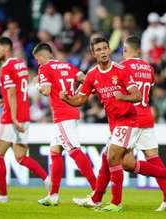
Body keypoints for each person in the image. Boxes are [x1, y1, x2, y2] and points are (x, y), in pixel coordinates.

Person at [61, 36, 166, 212]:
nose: (103, 52)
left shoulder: (122, 69)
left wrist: (122, 97)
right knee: (128, 162)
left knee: (111, 156)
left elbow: (137, 95)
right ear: (93, 54)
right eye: (99, 50)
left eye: (105, 48)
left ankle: (114, 203)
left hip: (130, 119)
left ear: (113, 50)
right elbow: (80, 99)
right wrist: (68, 99)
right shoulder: (96, 74)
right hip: (132, 119)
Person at [0, 37, 50, 203]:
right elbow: (18, 89)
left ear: (6, 49)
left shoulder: (6, 68)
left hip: (11, 117)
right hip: (24, 114)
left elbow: (13, 92)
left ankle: (2, 195)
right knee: (21, 157)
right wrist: (4, 100)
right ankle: (48, 180)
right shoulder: (20, 63)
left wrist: (13, 117)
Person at [32, 43, 97, 206]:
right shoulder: (68, 65)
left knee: (74, 150)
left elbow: (46, 90)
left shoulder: (44, 68)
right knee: (55, 152)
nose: (37, 63)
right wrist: (84, 92)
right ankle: (53, 195)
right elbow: (86, 79)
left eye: (37, 59)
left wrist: (38, 85)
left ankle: (98, 190)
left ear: (41, 56)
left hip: (62, 114)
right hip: (72, 110)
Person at [119, 35, 166, 211]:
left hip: (131, 118)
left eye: (124, 48)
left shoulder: (122, 67)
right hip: (146, 115)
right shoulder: (149, 68)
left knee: (120, 160)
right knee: (153, 157)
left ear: (127, 50)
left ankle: (105, 199)